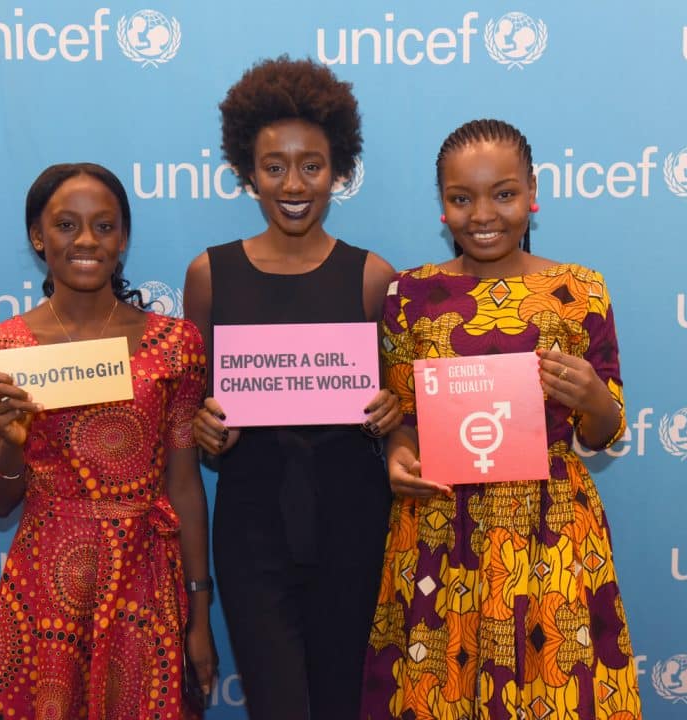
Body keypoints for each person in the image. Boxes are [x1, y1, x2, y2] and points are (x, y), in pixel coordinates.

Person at [360, 119, 642, 720]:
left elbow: (605, 430)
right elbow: (404, 418)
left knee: (557, 696)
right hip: (441, 530)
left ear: (532, 192)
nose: (482, 214)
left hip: (551, 529)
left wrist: (593, 397)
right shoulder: (408, 294)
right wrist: (398, 457)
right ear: (442, 205)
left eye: (504, 194)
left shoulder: (580, 290)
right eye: (461, 199)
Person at [184, 56, 400, 720]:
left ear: (339, 171)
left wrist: (393, 413)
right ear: (249, 174)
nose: (294, 183)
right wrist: (204, 428)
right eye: (274, 166)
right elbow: (192, 413)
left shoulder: (373, 277)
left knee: (341, 701)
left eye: (313, 165)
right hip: (253, 529)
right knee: (277, 705)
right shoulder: (209, 275)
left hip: (354, 524)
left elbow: (402, 414)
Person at [0, 163, 215, 719]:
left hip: (144, 578)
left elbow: (184, 488)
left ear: (124, 239)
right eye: (66, 225)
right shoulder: (0, 351)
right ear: (39, 238)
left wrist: (199, 617)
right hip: (45, 587)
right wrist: (10, 444)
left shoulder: (175, 344)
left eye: (104, 226)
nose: (86, 240)